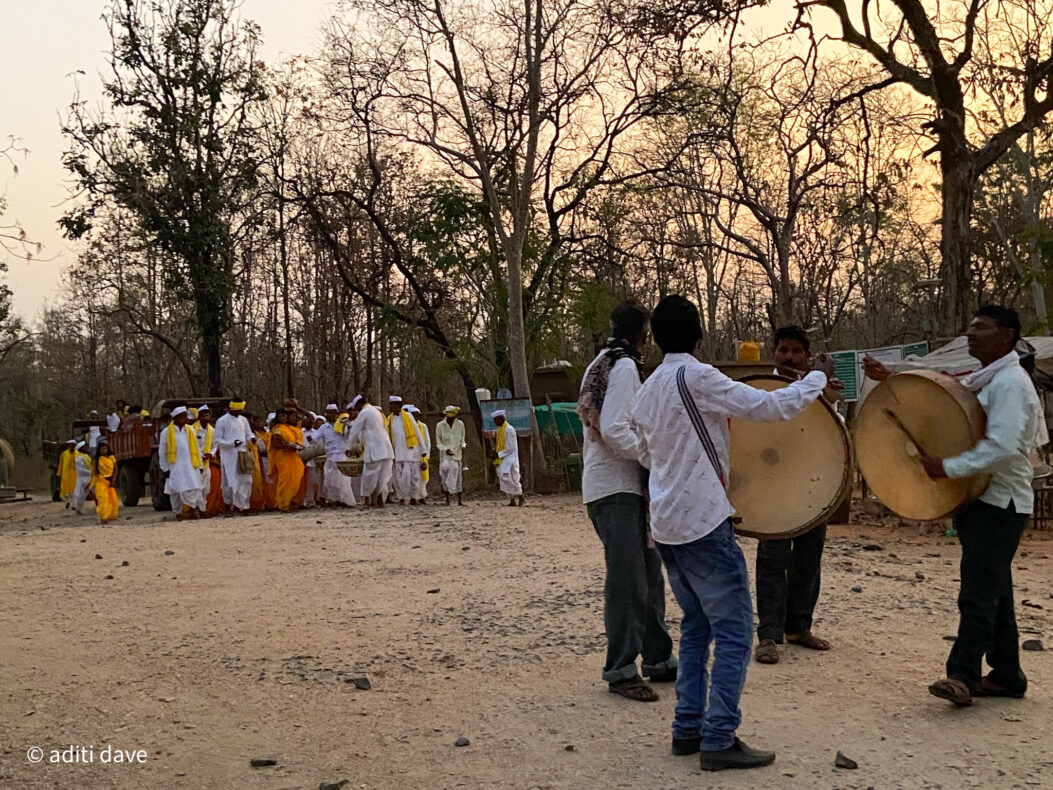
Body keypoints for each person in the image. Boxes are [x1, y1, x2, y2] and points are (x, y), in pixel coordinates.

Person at [630, 294, 827, 771]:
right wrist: (816, 379)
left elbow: (643, 454)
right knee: (736, 631)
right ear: (699, 336)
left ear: (655, 339)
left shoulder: (648, 387)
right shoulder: (697, 376)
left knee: (697, 626)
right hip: (702, 523)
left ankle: (688, 729)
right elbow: (767, 407)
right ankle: (719, 738)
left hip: (667, 524)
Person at [865, 305, 1045, 707]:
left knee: (979, 593)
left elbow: (1003, 448)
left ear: (1007, 336)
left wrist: (946, 468)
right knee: (994, 589)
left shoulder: (1011, 384)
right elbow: (945, 385)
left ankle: (962, 675)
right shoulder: (990, 377)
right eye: (970, 325)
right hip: (985, 501)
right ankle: (1007, 675)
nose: (970, 333)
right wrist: (893, 376)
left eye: (981, 327)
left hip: (1001, 503)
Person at [579, 301, 676, 702]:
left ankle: (658, 657)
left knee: (648, 573)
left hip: (621, 489)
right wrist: (652, 455)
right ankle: (621, 668)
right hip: (617, 487)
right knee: (628, 580)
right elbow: (616, 428)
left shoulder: (600, 362)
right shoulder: (622, 367)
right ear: (644, 336)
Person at [753, 325, 836, 664]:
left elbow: (834, 437)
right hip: (773, 487)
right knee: (772, 559)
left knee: (808, 557)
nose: (788, 356)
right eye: (782, 350)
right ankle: (769, 635)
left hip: (814, 485)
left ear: (807, 355)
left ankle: (798, 627)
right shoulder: (762, 389)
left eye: (795, 351)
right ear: (773, 352)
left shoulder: (821, 392)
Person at [346, 395, 395, 508]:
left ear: (359, 404)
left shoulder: (364, 412)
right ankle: (378, 500)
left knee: (371, 476)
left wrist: (349, 448)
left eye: (356, 408)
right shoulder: (376, 411)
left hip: (374, 449)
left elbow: (354, 431)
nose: (356, 411)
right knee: (382, 476)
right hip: (386, 449)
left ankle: (373, 500)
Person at [158, 406, 206, 519]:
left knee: (195, 487)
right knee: (176, 490)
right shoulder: (166, 432)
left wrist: (200, 464)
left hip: (191, 465)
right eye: (183, 417)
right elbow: (162, 451)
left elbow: (197, 449)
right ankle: (178, 512)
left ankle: (192, 510)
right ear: (176, 418)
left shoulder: (190, 430)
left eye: (186, 416)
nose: (186, 419)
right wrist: (165, 468)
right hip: (175, 466)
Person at [213, 399, 254, 515]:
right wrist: (231, 444)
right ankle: (228, 506)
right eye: (237, 410)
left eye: (240, 410)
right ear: (231, 409)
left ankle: (244, 506)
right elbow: (217, 440)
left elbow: (248, 433)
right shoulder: (222, 421)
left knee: (246, 480)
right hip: (229, 457)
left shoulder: (243, 420)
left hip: (243, 454)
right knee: (229, 483)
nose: (239, 413)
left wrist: (252, 438)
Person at [317, 404, 357, 507]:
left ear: (335, 413)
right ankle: (332, 500)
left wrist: (349, 426)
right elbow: (317, 441)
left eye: (330, 412)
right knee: (330, 480)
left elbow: (350, 437)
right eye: (327, 412)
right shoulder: (323, 427)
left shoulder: (343, 424)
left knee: (343, 480)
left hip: (342, 456)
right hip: (330, 456)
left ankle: (345, 501)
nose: (328, 415)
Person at [388, 396, 425, 504]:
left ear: (398, 405)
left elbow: (417, 432)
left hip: (410, 452)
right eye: (390, 405)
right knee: (399, 478)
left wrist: (423, 450)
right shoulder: (390, 419)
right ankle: (402, 497)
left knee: (413, 477)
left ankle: (413, 497)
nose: (391, 407)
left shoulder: (408, 416)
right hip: (397, 453)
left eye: (393, 405)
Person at [270, 410, 306, 512]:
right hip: (283, 457)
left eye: (285, 416)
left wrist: (296, 446)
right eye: (281, 416)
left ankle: (291, 501)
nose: (283, 418)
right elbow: (275, 444)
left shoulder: (290, 428)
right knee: (285, 480)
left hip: (293, 456)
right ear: (277, 417)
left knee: (296, 478)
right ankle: (283, 504)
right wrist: (288, 446)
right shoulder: (277, 429)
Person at [193, 405, 222, 517]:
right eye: (203, 415)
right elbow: (192, 445)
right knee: (197, 486)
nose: (205, 417)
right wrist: (200, 456)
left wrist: (211, 453)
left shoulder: (212, 431)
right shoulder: (192, 430)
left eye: (207, 415)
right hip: (195, 462)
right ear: (199, 416)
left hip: (206, 462)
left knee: (206, 487)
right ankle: (197, 509)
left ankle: (202, 509)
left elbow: (215, 445)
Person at [436, 406, 467, 506]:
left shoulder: (460, 424)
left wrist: (463, 446)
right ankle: (447, 498)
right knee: (444, 476)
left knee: (458, 477)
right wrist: (445, 450)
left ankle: (459, 500)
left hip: (457, 454)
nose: (451, 419)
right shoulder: (440, 425)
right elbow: (438, 442)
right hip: (445, 455)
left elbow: (463, 438)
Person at [492, 410, 523, 506]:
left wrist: (498, 454)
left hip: (510, 459)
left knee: (511, 479)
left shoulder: (509, 429)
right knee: (504, 479)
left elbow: (511, 447)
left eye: (496, 420)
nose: (495, 422)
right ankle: (512, 500)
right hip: (503, 459)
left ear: (501, 419)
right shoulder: (500, 430)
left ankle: (521, 496)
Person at [92, 439, 120, 524]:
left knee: (112, 499)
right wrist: (92, 484)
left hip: (110, 481)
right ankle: (103, 517)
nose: (104, 450)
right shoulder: (97, 460)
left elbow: (116, 468)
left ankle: (110, 516)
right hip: (101, 481)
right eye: (102, 449)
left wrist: (114, 479)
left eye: (105, 448)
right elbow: (94, 472)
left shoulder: (112, 457)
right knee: (103, 500)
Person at [408, 406, 431, 503]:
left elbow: (427, 441)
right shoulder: (407, 427)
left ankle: (421, 496)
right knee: (413, 477)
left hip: (421, 455)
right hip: (410, 455)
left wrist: (426, 455)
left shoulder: (423, 426)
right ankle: (413, 497)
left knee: (423, 477)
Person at [70, 441, 94, 514]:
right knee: (81, 495)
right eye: (85, 447)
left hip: (89, 478)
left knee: (96, 493)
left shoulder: (87, 456)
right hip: (82, 479)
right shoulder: (79, 458)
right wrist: (91, 472)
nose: (87, 448)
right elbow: (80, 470)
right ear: (81, 449)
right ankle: (78, 509)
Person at [58, 439, 79, 508]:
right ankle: (69, 501)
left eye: (73, 445)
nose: (72, 446)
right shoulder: (64, 454)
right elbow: (61, 464)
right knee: (67, 490)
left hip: (75, 474)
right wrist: (60, 472)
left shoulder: (78, 454)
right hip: (66, 474)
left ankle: (74, 504)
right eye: (70, 445)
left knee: (74, 489)